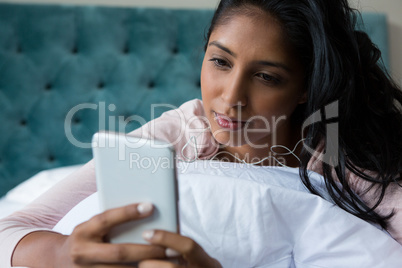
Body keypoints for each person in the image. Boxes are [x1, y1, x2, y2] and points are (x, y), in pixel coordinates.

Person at [1, 0, 402, 267]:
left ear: (304, 89)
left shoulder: (337, 153)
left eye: (266, 76)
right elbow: (12, 229)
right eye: (220, 62)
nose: (229, 99)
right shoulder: (184, 129)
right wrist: (62, 252)